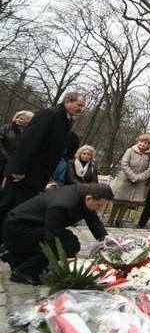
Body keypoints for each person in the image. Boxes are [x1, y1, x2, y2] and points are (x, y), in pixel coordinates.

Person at [0, 93, 85, 240]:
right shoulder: (50, 114)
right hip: (24, 173)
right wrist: (19, 170)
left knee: (22, 208)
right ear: (67, 101)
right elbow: (29, 141)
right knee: (9, 205)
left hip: (37, 175)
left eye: (83, 106)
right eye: (79, 105)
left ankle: (9, 240)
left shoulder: (66, 119)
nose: (82, 109)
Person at [3, 183, 113, 285]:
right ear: (89, 198)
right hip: (19, 227)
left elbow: (93, 220)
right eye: (99, 205)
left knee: (71, 243)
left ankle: (20, 259)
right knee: (58, 246)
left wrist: (106, 241)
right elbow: (53, 237)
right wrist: (69, 262)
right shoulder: (63, 205)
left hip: (37, 224)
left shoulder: (85, 194)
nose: (99, 209)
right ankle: (22, 272)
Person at [108, 134, 150, 227]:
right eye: (141, 141)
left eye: (145, 143)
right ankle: (110, 220)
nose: (142, 144)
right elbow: (124, 164)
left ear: (149, 144)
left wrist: (139, 177)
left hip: (138, 182)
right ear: (138, 141)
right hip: (125, 179)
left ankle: (119, 220)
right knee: (118, 200)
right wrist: (133, 176)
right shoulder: (130, 150)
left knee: (128, 201)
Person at [0, 110, 34, 180]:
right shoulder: (6, 128)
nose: (18, 119)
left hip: (13, 163)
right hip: (2, 158)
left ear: (28, 121)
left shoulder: (28, 133)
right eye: (17, 117)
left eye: (21, 118)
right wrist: (6, 156)